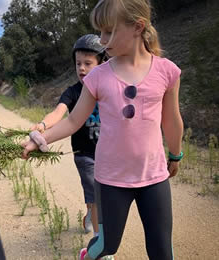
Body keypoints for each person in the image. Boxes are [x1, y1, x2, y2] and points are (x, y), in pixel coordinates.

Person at [22, 0, 184, 259]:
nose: (102, 39)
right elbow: (73, 120)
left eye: (109, 32)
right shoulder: (99, 76)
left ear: (137, 27)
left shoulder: (167, 71)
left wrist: (175, 154)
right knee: (107, 247)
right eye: (100, 32)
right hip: (110, 180)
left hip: (154, 177)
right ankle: (88, 255)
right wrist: (39, 138)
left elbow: (172, 120)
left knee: (162, 251)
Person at [30, 34, 105, 237]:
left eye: (88, 63)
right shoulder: (72, 92)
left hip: (109, 154)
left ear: (102, 63)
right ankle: (100, 243)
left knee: (103, 197)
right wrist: (44, 124)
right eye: (78, 63)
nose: (81, 68)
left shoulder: (109, 88)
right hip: (85, 155)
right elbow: (58, 113)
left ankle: (91, 212)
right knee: (97, 197)